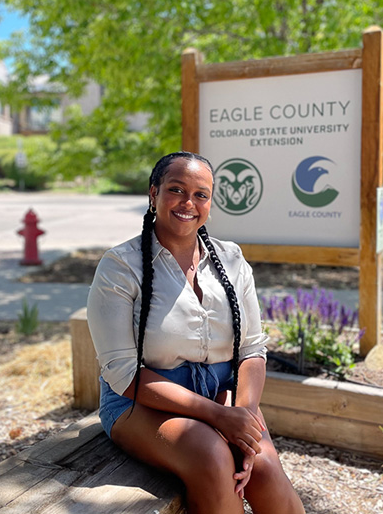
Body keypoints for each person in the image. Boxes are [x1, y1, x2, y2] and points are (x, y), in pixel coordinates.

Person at [87, 152, 304, 514]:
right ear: (153, 193)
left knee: (262, 464)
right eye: (176, 190)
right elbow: (123, 374)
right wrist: (219, 418)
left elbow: (252, 349)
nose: (189, 203)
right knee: (212, 455)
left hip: (224, 393)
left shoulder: (232, 259)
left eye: (201, 194)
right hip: (140, 400)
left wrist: (245, 420)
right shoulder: (120, 267)